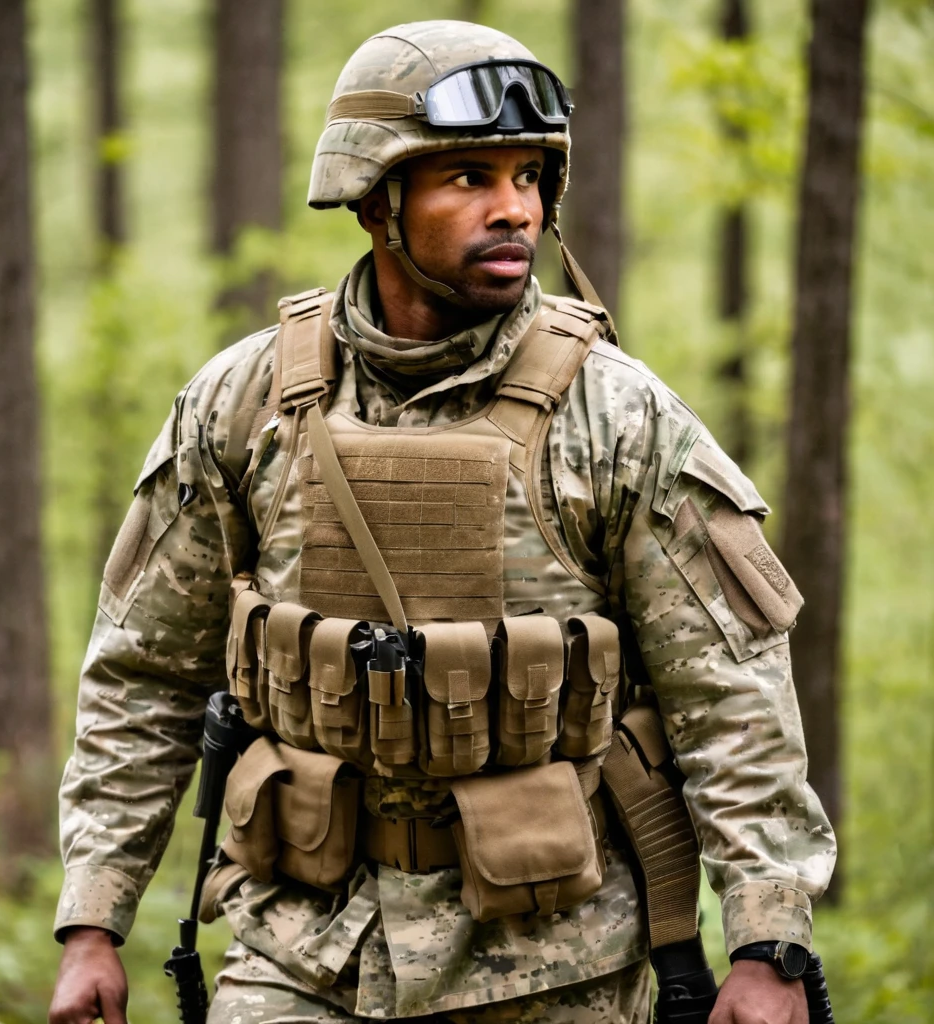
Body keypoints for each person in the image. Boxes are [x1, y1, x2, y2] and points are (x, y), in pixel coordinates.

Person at [48, 20, 835, 1024]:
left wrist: (767, 944)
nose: (514, 208)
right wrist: (92, 924)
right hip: (299, 955)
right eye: (467, 177)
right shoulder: (244, 404)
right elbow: (142, 675)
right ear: (376, 200)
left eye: (528, 176)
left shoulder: (617, 415)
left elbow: (731, 695)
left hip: (556, 968)